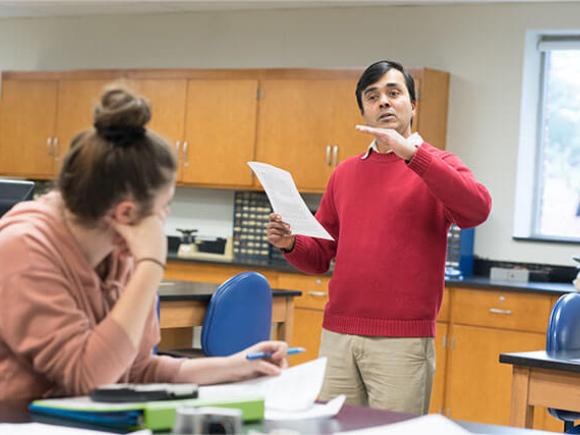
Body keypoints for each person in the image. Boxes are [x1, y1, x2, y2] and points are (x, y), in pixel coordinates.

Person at [0, 85, 288, 401]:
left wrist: (235, 367)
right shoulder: (22, 249)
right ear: (126, 213)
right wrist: (150, 267)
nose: (164, 217)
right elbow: (88, 377)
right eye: (164, 207)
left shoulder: (119, 251)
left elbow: (134, 371)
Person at [267, 60, 491, 414]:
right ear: (364, 111)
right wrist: (290, 244)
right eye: (373, 96)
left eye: (393, 92)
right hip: (338, 336)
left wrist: (412, 156)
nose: (384, 102)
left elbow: (477, 210)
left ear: (412, 105)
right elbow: (321, 255)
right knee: (333, 427)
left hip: (402, 342)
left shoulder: (437, 164)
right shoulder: (345, 173)